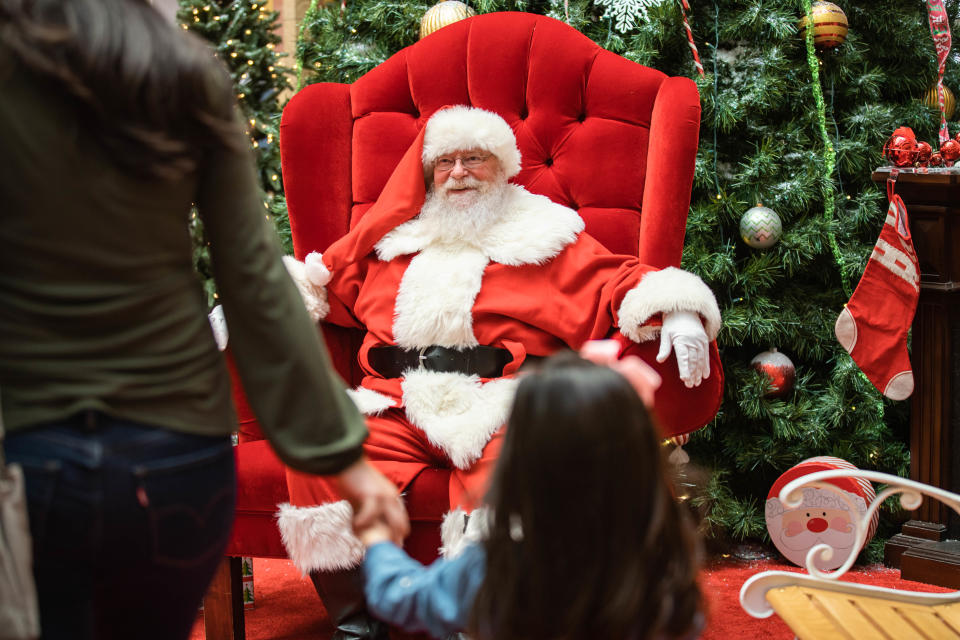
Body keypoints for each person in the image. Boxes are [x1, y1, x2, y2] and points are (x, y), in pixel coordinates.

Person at [0, 1, 407, 639]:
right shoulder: (181, 69)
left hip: (32, 441)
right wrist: (340, 456)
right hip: (180, 453)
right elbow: (255, 281)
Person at [279, 104, 721, 637]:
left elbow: (618, 281)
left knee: (519, 473)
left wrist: (677, 307)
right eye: (445, 162)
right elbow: (321, 286)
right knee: (321, 448)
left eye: (474, 159)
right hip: (393, 398)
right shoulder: (395, 238)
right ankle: (355, 626)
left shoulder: (544, 233)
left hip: (500, 401)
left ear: (504, 165)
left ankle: (489, 621)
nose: (458, 173)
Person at [358, 346, 704, 640]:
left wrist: (378, 540)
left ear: (520, 462)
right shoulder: (666, 565)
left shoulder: (495, 567)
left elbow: (402, 598)